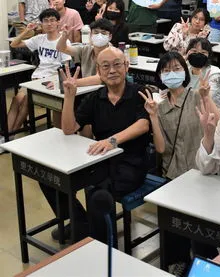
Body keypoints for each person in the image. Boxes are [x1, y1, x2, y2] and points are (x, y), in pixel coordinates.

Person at [43, 47, 150, 244]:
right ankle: (80, 223)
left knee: (98, 192)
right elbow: (69, 129)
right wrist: (69, 97)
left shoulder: (139, 92)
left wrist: (113, 141)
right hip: (98, 159)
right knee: (50, 177)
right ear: (99, 72)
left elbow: (144, 124)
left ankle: (102, 246)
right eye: (105, 66)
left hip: (130, 164)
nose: (112, 70)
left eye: (117, 64)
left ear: (126, 66)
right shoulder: (95, 97)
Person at [139, 51, 220, 273]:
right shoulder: (159, 105)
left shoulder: (196, 95)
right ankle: (178, 262)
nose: (171, 74)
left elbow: (219, 124)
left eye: (176, 69)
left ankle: (207, 264)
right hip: (173, 174)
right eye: (166, 70)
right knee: (173, 223)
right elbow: (161, 148)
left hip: (201, 173)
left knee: (199, 227)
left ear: (185, 72)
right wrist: (153, 117)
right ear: (159, 76)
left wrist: (206, 97)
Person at [7, 8, 71, 136]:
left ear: (58, 22)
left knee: (26, 100)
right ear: (41, 23)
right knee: (16, 99)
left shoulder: (64, 40)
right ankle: (7, 135)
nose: (49, 24)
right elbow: (14, 44)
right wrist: (27, 30)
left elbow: (66, 66)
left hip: (51, 79)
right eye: (45, 21)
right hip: (37, 76)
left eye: (52, 20)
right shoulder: (39, 39)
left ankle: (12, 134)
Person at [57, 18, 113, 86]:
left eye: (103, 33)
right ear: (90, 35)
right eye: (96, 32)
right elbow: (61, 48)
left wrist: (73, 82)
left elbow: (99, 78)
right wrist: (64, 36)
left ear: (110, 37)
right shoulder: (86, 49)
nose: (99, 36)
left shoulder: (112, 53)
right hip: (86, 89)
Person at [185, 38, 220, 112]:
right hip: (189, 108)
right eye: (194, 51)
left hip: (214, 112)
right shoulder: (184, 68)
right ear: (188, 52)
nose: (198, 55)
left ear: (209, 55)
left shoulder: (214, 73)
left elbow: (207, 97)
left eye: (203, 52)